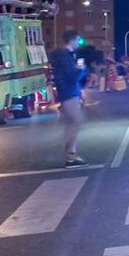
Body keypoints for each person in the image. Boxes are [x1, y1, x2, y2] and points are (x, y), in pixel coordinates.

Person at [49, 30, 88, 168]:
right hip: (69, 93)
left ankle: (71, 154)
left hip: (69, 92)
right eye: (78, 40)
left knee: (71, 123)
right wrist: (81, 69)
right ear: (72, 40)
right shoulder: (65, 56)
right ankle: (71, 156)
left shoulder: (65, 55)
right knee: (77, 121)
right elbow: (73, 76)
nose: (79, 43)